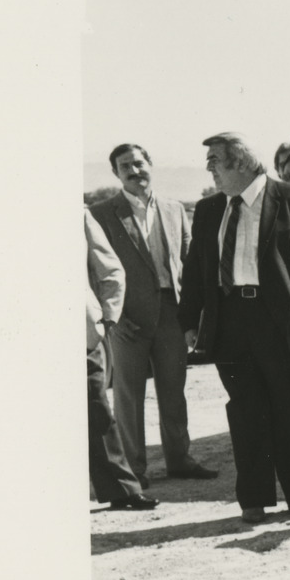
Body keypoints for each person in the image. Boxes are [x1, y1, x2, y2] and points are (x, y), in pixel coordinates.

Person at [181, 131, 290, 522]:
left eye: (215, 161)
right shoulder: (207, 210)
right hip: (229, 322)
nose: (209, 169)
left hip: (282, 322)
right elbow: (195, 270)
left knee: (289, 407)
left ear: (240, 162)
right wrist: (189, 320)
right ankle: (252, 498)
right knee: (245, 411)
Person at [90, 142, 216, 484]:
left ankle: (180, 459)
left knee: (174, 391)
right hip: (126, 319)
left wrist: (192, 314)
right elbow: (93, 270)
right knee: (128, 396)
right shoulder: (102, 213)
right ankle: (134, 469)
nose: (134, 171)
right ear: (116, 174)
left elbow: (189, 264)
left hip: (171, 313)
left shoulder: (175, 209)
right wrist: (111, 315)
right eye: (125, 167)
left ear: (150, 164)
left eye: (138, 163)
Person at [86, 210, 155, 511]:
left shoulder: (76, 215)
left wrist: (107, 317)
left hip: (78, 333)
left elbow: (111, 270)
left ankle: (121, 489)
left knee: (96, 408)